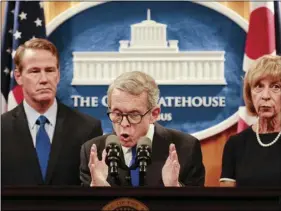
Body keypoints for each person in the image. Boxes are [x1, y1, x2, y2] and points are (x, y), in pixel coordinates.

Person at [1, 38, 103, 186]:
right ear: (18, 76)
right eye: (35, 71)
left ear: (58, 74)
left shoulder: (88, 128)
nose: (44, 79)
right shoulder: (2, 129)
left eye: (49, 70)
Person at [80, 71, 205, 187]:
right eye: (117, 114)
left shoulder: (185, 149)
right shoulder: (93, 153)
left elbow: (198, 205)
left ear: (154, 114)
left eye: (134, 115)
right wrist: (97, 192)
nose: (124, 123)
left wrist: (174, 189)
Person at [220, 55, 281, 187]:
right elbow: (226, 202)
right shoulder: (235, 144)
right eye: (259, 86)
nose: (265, 96)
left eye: (275, 87)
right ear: (249, 93)